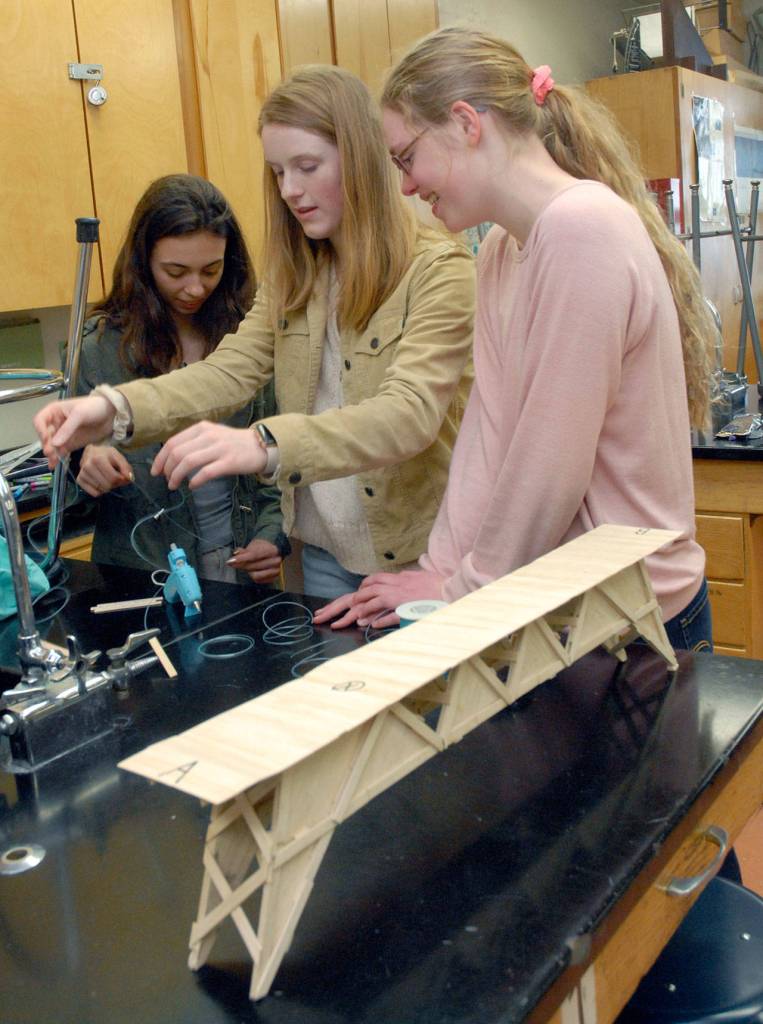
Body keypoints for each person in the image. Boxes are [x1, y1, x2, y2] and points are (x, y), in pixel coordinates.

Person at [313, 26, 717, 652]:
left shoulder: (583, 229)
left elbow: (548, 463)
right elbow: (489, 429)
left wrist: (462, 593)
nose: (407, 187)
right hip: (567, 614)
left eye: (406, 158)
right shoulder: (503, 250)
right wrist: (439, 571)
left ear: (466, 122)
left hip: (636, 618)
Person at [34, 67, 475, 599]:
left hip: (418, 555)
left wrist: (262, 443)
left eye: (307, 167)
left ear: (360, 158)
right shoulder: (298, 274)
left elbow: (408, 415)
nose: (290, 190)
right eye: (277, 172)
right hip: (325, 555)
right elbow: (228, 370)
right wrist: (112, 409)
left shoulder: (440, 270)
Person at [71, 174, 288, 584]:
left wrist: (272, 535)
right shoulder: (98, 349)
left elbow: (282, 451)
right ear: (144, 262)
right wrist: (86, 461)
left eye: (211, 269)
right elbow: (70, 502)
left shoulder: (251, 338)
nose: (195, 288)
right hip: (143, 576)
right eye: (175, 271)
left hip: (241, 572)